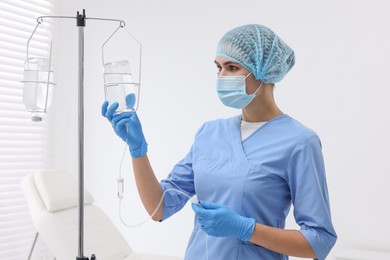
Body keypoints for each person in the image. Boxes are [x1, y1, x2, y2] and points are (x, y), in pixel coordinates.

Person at [102, 24, 337, 260]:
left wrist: (245, 228)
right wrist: (138, 150)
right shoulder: (209, 133)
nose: (222, 76)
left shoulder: (299, 142)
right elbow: (159, 208)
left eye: (232, 67)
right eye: (218, 68)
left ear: (264, 71)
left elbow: (319, 242)